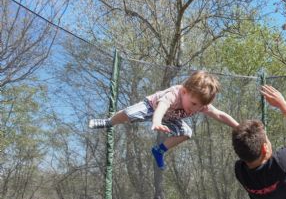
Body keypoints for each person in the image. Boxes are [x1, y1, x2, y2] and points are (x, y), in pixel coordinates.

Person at [89, 71, 239, 170]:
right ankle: (109, 122)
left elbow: (219, 115)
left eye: (200, 106)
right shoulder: (174, 94)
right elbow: (162, 106)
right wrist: (157, 121)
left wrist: (237, 126)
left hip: (171, 117)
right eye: (193, 104)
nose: (195, 109)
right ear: (184, 91)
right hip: (152, 107)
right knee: (129, 113)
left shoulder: (199, 104)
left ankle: (159, 150)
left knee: (187, 132)